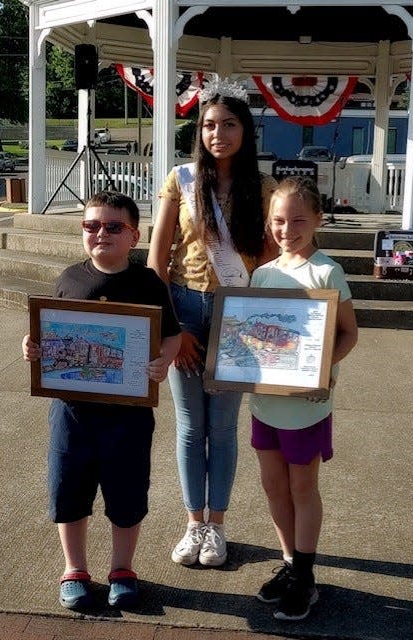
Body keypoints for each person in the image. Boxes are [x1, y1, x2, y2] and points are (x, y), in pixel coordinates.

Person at [22, 191, 181, 610]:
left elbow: (172, 334)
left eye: (114, 227)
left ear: (135, 235)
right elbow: (47, 333)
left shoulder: (149, 283)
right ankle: (74, 568)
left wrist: (163, 361)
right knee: (68, 488)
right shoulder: (68, 278)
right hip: (72, 413)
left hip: (129, 415)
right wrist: (33, 347)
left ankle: (122, 569)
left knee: (126, 492)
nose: (101, 234)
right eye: (91, 226)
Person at [147, 77, 278, 567]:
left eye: (227, 124)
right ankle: (192, 523)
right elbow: (157, 259)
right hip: (183, 306)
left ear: (245, 130)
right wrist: (170, 330)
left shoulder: (263, 188)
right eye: (207, 124)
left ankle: (217, 527)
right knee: (187, 426)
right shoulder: (180, 180)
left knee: (222, 428)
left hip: (236, 315)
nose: (216, 133)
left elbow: (272, 256)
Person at [250, 177, 358, 620]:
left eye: (298, 219)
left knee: (302, 487)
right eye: (278, 220)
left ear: (317, 219)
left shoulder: (326, 270)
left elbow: (349, 332)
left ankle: (306, 576)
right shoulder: (262, 273)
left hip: (306, 405)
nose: (287, 228)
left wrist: (322, 370)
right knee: (274, 486)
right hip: (265, 402)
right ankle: (291, 563)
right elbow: (250, 333)